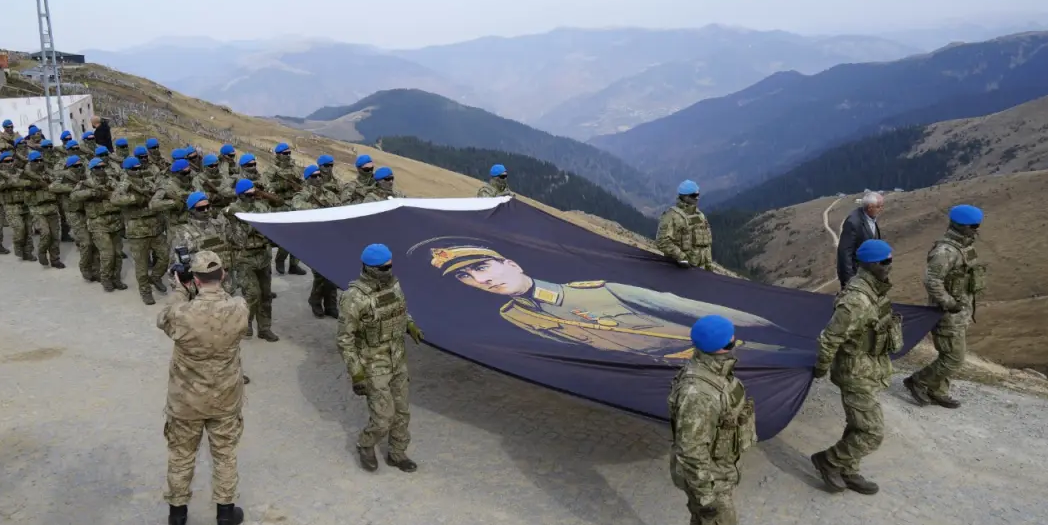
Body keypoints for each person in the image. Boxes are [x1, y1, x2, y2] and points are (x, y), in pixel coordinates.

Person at [416, 238, 785, 360]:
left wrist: (776, 329)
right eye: (466, 276)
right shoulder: (515, 315)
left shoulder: (600, 291)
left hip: (719, 352)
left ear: (509, 262)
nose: (481, 279)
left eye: (482, 266)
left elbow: (695, 310)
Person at [654, 315, 755, 525]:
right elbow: (690, 449)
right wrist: (706, 494)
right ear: (728, 344)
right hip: (705, 475)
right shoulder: (699, 391)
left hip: (720, 467)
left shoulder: (714, 373)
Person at [158, 250, 249, 525]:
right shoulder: (239, 308)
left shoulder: (180, 313)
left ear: (194, 279)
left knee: (181, 455)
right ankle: (225, 516)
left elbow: (164, 318)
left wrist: (178, 290)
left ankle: (177, 518)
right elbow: (231, 299)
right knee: (224, 455)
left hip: (186, 401)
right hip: (225, 398)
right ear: (222, 275)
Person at [810, 239, 903, 496]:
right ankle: (829, 460)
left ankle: (848, 469)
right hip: (855, 372)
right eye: (885, 261)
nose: (890, 265)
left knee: (858, 424)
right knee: (872, 432)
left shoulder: (874, 291)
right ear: (871, 264)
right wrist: (821, 367)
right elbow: (830, 338)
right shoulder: (856, 301)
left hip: (870, 368)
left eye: (890, 259)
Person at [338, 243, 424, 472]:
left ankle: (397, 453)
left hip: (398, 358)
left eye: (391, 266)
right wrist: (356, 374)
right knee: (384, 416)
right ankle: (365, 443)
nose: (389, 271)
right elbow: (345, 340)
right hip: (374, 364)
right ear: (370, 268)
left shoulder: (393, 285)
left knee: (402, 411)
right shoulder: (354, 297)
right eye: (384, 268)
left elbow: (400, 310)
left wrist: (410, 324)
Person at [904, 205, 986, 409]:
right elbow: (932, 281)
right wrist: (950, 303)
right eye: (973, 226)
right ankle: (918, 381)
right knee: (954, 358)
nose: (977, 230)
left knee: (949, 355)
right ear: (960, 226)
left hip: (961, 312)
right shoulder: (945, 251)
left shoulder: (964, 247)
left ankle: (937, 390)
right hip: (947, 314)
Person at [227, 177, 282, 341]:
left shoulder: (260, 207)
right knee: (252, 294)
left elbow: (275, 211)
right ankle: (246, 323)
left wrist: (262, 194)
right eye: (249, 195)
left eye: (254, 194)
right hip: (244, 258)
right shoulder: (233, 210)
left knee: (265, 294)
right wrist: (256, 227)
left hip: (263, 256)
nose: (253, 197)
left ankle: (265, 328)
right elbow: (238, 238)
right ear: (241, 195)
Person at [111, 156, 168, 304]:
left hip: (155, 228)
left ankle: (155, 277)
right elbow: (115, 199)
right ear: (128, 170)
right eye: (134, 169)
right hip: (137, 232)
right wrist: (134, 199)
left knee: (165, 256)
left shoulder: (147, 182)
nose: (138, 171)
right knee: (141, 265)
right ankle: (145, 291)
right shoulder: (123, 185)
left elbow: (159, 192)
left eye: (139, 168)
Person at [292, 164, 342, 317]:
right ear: (307, 179)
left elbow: (340, 208)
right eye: (314, 176)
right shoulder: (302, 194)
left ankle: (331, 305)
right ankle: (315, 300)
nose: (318, 178)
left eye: (319, 175)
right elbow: (297, 206)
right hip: (313, 240)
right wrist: (318, 209)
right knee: (321, 275)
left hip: (331, 238)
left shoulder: (329, 194)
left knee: (333, 273)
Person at [72, 159, 127, 292]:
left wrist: (110, 194)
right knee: (107, 253)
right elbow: (74, 195)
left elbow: (122, 190)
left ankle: (116, 278)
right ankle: (106, 278)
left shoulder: (111, 181)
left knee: (118, 253)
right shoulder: (86, 183)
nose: (101, 170)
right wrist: (91, 193)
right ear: (92, 169)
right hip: (98, 224)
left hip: (114, 222)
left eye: (102, 166)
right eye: (97, 168)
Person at [171, 192, 235, 292]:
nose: (205, 210)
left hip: (224, 282)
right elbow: (175, 266)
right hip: (201, 286)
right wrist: (184, 290)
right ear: (191, 210)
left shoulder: (219, 225)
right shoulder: (183, 233)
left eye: (207, 206)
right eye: (200, 208)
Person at [49, 155, 94, 279]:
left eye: (80, 165)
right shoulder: (64, 176)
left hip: (87, 210)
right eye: (76, 166)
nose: (79, 168)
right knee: (86, 242)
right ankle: (85, 267)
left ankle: (95, 268)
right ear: (69, 167)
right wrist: (72, 188)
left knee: (94, 241)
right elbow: (52, 187)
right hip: (72, 212)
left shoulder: (85, 174)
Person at [19, 151, 64, 268]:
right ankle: (42, 251)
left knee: (55, 235)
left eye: (40, 160)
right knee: (45, 233)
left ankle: (55, 259)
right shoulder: (26, 174)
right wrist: (34, 184)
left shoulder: (47, 171)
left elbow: (57, 179)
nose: (39, 163)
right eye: (36, 161)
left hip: (51, 206)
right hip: (37, 208)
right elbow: (18, 183)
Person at [657, 180, 713, 270]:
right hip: (679, 270)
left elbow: (706, 245)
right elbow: (662, 241)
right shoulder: (672, 216)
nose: (697, 198)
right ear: (685, 196)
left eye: (698, 195)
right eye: (694, 195)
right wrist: (681, 257)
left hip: (701, 270)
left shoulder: (700, 216)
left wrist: (709, 267)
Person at [268, 143, 306, 275]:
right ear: (278, 155)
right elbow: (266, 185)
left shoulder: (294, 167)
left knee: (299, 235)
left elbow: (301, 181)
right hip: (281, 206)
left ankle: (294, 264)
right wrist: (281, 185)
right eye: (285, 154)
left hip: (295, 204)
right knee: (288, 236)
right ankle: (280, 259)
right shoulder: (272, 169)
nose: (288, 156)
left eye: (289, 153)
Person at [0, 151, 35, 261]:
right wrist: (6, 184)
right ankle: (18, 247)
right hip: (11, 206)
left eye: (11, 160)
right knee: (19, 229)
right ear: (2, 163)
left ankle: (28, 252)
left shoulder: (21, 172)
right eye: (7, 161)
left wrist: (22, 183)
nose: (10, 163)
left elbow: (31, 182)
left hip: (25, 204)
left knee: (29, 230)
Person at [837, 191, 885, 288]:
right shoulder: (853, 222)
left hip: (870, 277)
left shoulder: (871, 218)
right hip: (857, 279)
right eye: (879, 206)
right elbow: (845, 253)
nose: (881, 209)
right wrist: (849, 282)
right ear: (870, 207)